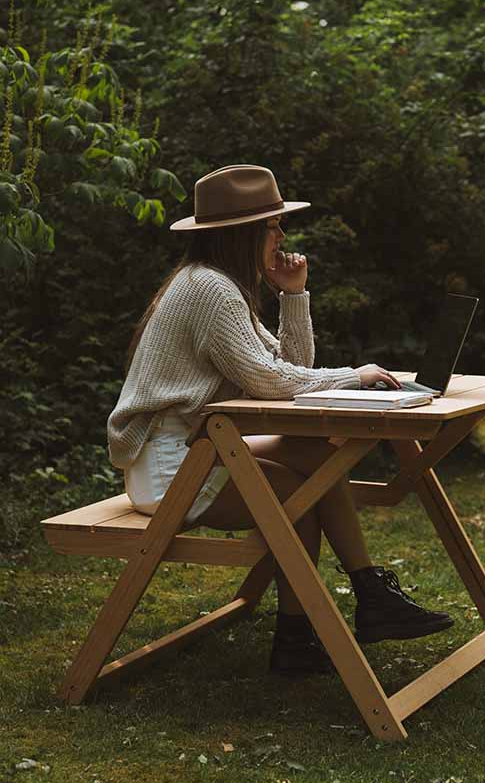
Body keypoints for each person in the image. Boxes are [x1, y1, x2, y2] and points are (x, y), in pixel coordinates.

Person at [107, 164, 453, 676]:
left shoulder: (220, 287)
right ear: (243, 233)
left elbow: (291, 370)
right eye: (273, 226)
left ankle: (340, 610)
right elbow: (273, 383)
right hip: (168, 467)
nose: (282, 236)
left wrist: (293, 294)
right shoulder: (209, 290)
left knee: (316, 462)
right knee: (301, 491)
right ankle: (339, 610)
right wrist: (354, 378)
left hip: (199, 448)